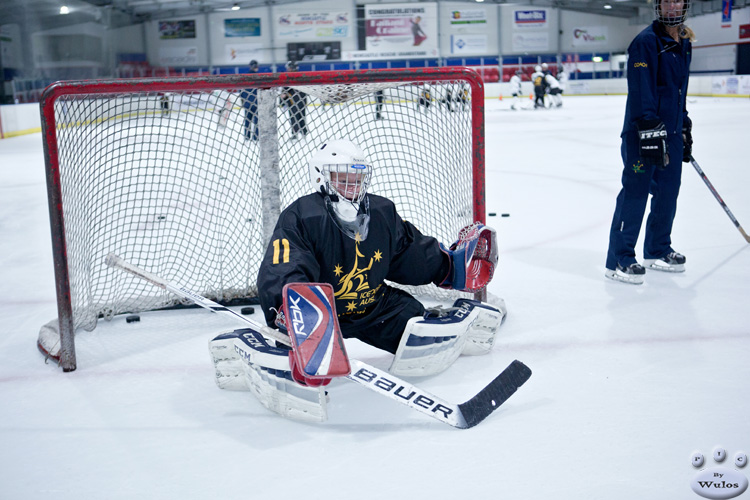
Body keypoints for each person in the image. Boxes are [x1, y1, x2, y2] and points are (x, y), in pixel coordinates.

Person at [208, 139, 505, 421]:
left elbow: (405, 252)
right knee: (299, 350)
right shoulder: (302, 216)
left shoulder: (381, 211)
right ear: (321, 178)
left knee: (419, 324)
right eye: (342, 177)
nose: (352, 185)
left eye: (357, 177)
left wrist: (448, 267)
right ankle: (272, 351)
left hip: (375, 308)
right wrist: (289, 312)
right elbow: (284, 266)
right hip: (321, 319)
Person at [605, 0, 694, 284]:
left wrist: (683, 125)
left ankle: (657, 249)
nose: (671, 5)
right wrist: (648, 127)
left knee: (668, 192)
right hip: (643, 134)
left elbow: (678, 91)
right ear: (657, 6)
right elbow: (642, 89)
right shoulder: (645, 42)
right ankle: (620, 257)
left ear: (685, 4)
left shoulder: (684, 42)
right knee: (635, 194)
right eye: (665, 0)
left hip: (670, 132)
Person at [280, 61, 308, 140]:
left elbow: (288, 88)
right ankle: (302, 132)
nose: (288, 69)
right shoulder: (299, 76)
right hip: (299, 100)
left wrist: (284, 95)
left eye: (289, 68)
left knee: (295, 117)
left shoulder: (292, 76)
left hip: (294, 100)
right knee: (300, 116)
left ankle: (297, 133)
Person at [241, 60, 259, 141]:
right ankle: (256, 136)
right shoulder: (259, 77)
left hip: (247, 103)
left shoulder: (245, 77)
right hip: (256, 102)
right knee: (257, 121)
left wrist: (244, 100)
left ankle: (247, 136)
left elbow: (241, 91)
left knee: (247, 121)